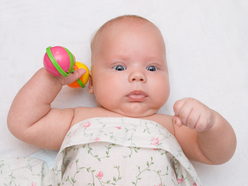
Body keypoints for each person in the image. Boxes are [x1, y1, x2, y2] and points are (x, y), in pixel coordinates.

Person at [6, 15, 236, 185]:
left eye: (152, 67)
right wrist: (52, 79)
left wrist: (211, 125)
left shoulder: (172, 126)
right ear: (92, 82)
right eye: (119, 67)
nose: (138, 75)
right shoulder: (78, 119)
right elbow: (24, 124)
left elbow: (217, 155)